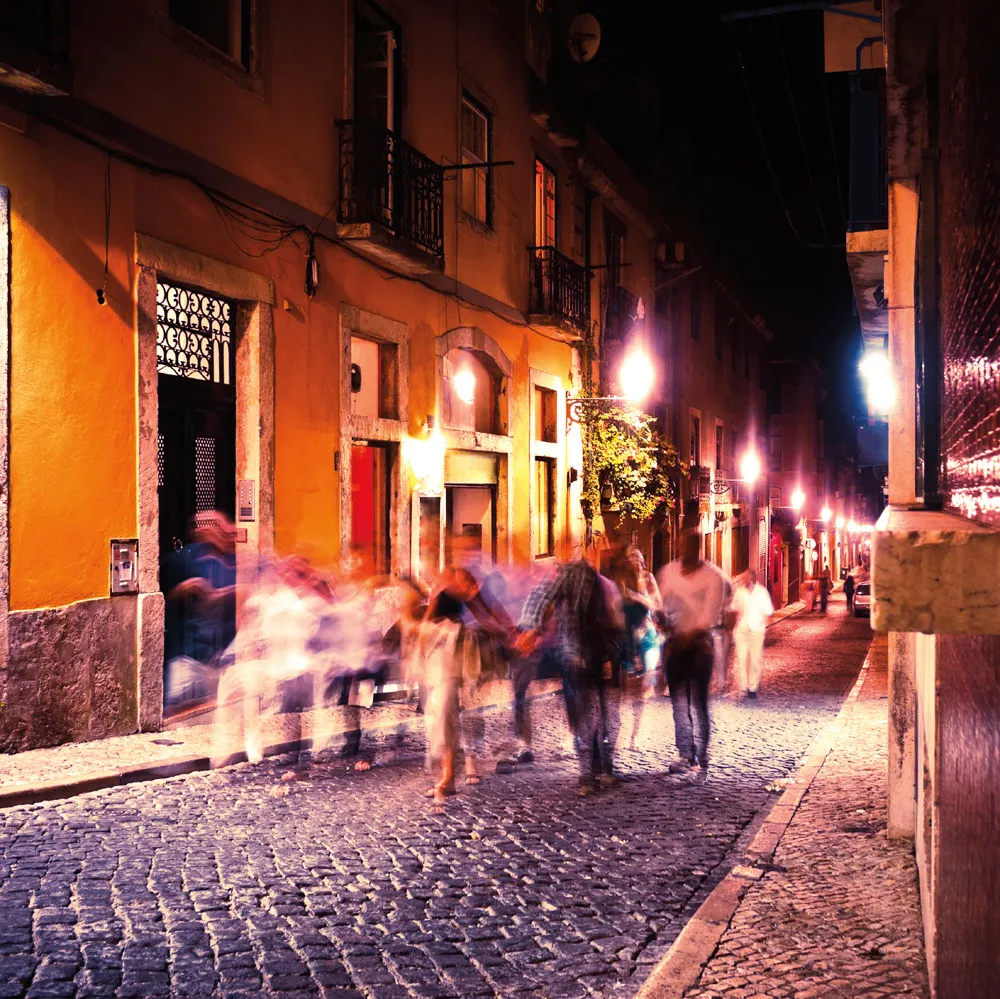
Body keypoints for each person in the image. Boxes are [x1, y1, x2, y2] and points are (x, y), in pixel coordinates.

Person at [515, 549, 615, 795]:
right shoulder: (578, 575)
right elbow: (542, 597)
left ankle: (596, 768)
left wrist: (530, 629)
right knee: (589, 707)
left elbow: (542, 598)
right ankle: (594, 770)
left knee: (592, 709)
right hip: (580, 652)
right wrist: (531, 629)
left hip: (586, 651)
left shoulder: (597, 580)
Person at [656, 517, 728, 771]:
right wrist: (662, 621)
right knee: (678, 702)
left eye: (691, 544)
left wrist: (687, 634)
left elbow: (709, 615)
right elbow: (659, 604)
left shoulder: (713, 577)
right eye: (683, 543)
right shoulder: (668, 573)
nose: (686, 548)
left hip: (699, 647)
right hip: (675, 645)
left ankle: (703, 750)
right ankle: (686, 754)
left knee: (699, 702)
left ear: (699, 546)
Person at [731, 570, 774, 699]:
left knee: (755, 659)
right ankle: (744, 685)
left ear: (753, 579)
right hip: (742, 629)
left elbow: (769, 610)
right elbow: (733, 607)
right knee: (742, 657)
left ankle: (752, 687)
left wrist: (763, 621)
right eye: (743, 578)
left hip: (757, 630)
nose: (745, 580)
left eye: (747, 578)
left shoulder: (761, 592)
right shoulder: (740, 592)